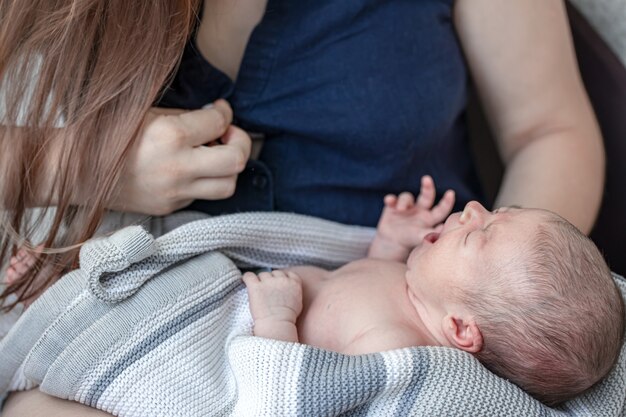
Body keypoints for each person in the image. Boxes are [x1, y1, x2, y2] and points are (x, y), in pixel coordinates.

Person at [0, 0, 606, 415]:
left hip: (293, 324)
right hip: (170, 296)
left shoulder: (417, 346)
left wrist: (514, 302)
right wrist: (78, 164)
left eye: (482, 232)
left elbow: (548, 130)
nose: (471, 213)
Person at [243, 177, 625, 406]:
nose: (475, 206)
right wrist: (388, 243)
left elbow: (293, 395)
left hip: (256, 322)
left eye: (479, 235)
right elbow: (360, 285)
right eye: (500, 210)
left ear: (460, 328)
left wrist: (275, 321)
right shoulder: (419, 294)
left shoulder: (393, 348)